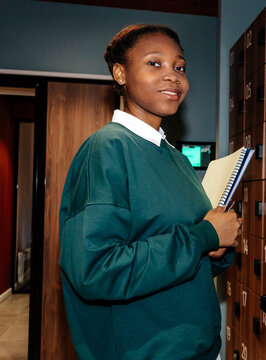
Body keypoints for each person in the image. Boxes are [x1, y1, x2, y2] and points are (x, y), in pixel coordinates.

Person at [59, 24, 239, 360]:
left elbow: (180, 261)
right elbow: (96, 270)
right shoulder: (108, 148)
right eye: (154, 64)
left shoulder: (174, 157)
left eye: (179, 67)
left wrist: (215, 248)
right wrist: (202, 237)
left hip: (195, 347)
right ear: (120, 73)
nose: (172, 76)